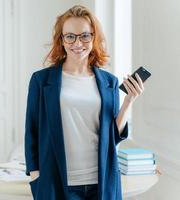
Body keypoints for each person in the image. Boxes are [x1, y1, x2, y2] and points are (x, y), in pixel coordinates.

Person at [24, 5, 145, 200]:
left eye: (84, 36)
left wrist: (129, 100)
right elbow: (32, 131)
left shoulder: (109, 82)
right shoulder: (41, 80)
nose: (77, 43)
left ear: (93, 37)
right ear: (61, 40)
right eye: (70, 36)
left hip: (102, 180)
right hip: (57, 181)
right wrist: (35, 175)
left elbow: (112, 135)